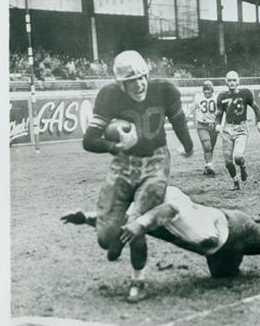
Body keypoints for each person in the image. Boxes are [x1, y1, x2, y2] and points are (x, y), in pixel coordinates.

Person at [82, 50, 194, 303]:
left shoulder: (164, 90)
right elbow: (89, 141)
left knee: (136, 220)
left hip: (155, 161)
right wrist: (114, 146)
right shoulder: (109, 95)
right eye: (132, 80)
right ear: (121, 83)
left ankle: (138, 279)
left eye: (143, 77)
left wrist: (188, 146)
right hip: (123, 163)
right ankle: (112, 230)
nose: (140, 83)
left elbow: (179, 123)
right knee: (105, 239)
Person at [61, 186, 260, 283]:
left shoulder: (169, 196)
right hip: (215, 248)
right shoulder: (139, 204)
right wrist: (85, 218)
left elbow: (167, 210)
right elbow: (116, 220)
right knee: (223, 276)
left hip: (232, 229)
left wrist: (141, 224)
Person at [215, 70, 260, 190]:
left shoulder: (246, 93)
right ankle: (235, 181)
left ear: (238, 81)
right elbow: (219, 114)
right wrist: (217, 124)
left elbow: (256, 107)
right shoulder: (222, 96)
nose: (232, 83)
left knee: (237, 157)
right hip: (227, 129)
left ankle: (243, 166)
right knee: (227, 162)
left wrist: (259, 122)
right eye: (229, 80)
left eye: (234, 80)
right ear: (226, 82)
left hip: (241, 128)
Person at [191, 80, 219, 175]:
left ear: (212, 90)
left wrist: (220, 124)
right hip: (202, 125)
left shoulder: (217, 98)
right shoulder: (198, 98)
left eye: (208, 89)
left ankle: (207, 166)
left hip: (213, 126)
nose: (206, 91)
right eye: (205, 89)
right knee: (207, 145)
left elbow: (222, 112)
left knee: (210, 148)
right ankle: (210, 165)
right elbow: (192, 108)